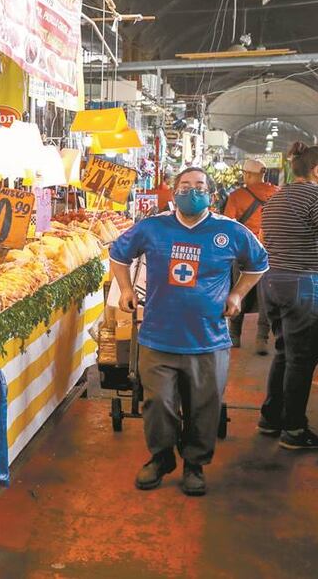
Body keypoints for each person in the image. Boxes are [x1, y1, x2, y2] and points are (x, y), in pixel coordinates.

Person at [110, 167, 268, 496]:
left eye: (199, 186)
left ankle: (195, 463)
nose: (191, 191)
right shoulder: (153, 227)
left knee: (204, 406)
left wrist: (237, 294)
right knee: (158, 404)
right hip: (157, 336)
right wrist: (125, 290)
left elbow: (258, 263)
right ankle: (161, 458)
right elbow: (118, 254)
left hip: (208, 340)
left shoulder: (230, 231)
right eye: (185, 185)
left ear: (210, 194)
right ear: (174, 190)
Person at [258, 142, 318, 450]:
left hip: (273, 281)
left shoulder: (277, 197)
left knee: (286, 352)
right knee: (302, 358)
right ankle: (295, 430)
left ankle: (271, 418)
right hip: (305, 284)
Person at [222, 158, 278, 352]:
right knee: (266, 296)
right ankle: (262, 338)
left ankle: (234, 335)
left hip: (244, 252)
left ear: (249, 174)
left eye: (245, 174)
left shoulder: (237, 196)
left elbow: (229, 225)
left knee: (240, 292)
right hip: (271, 252)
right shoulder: (277, 193)